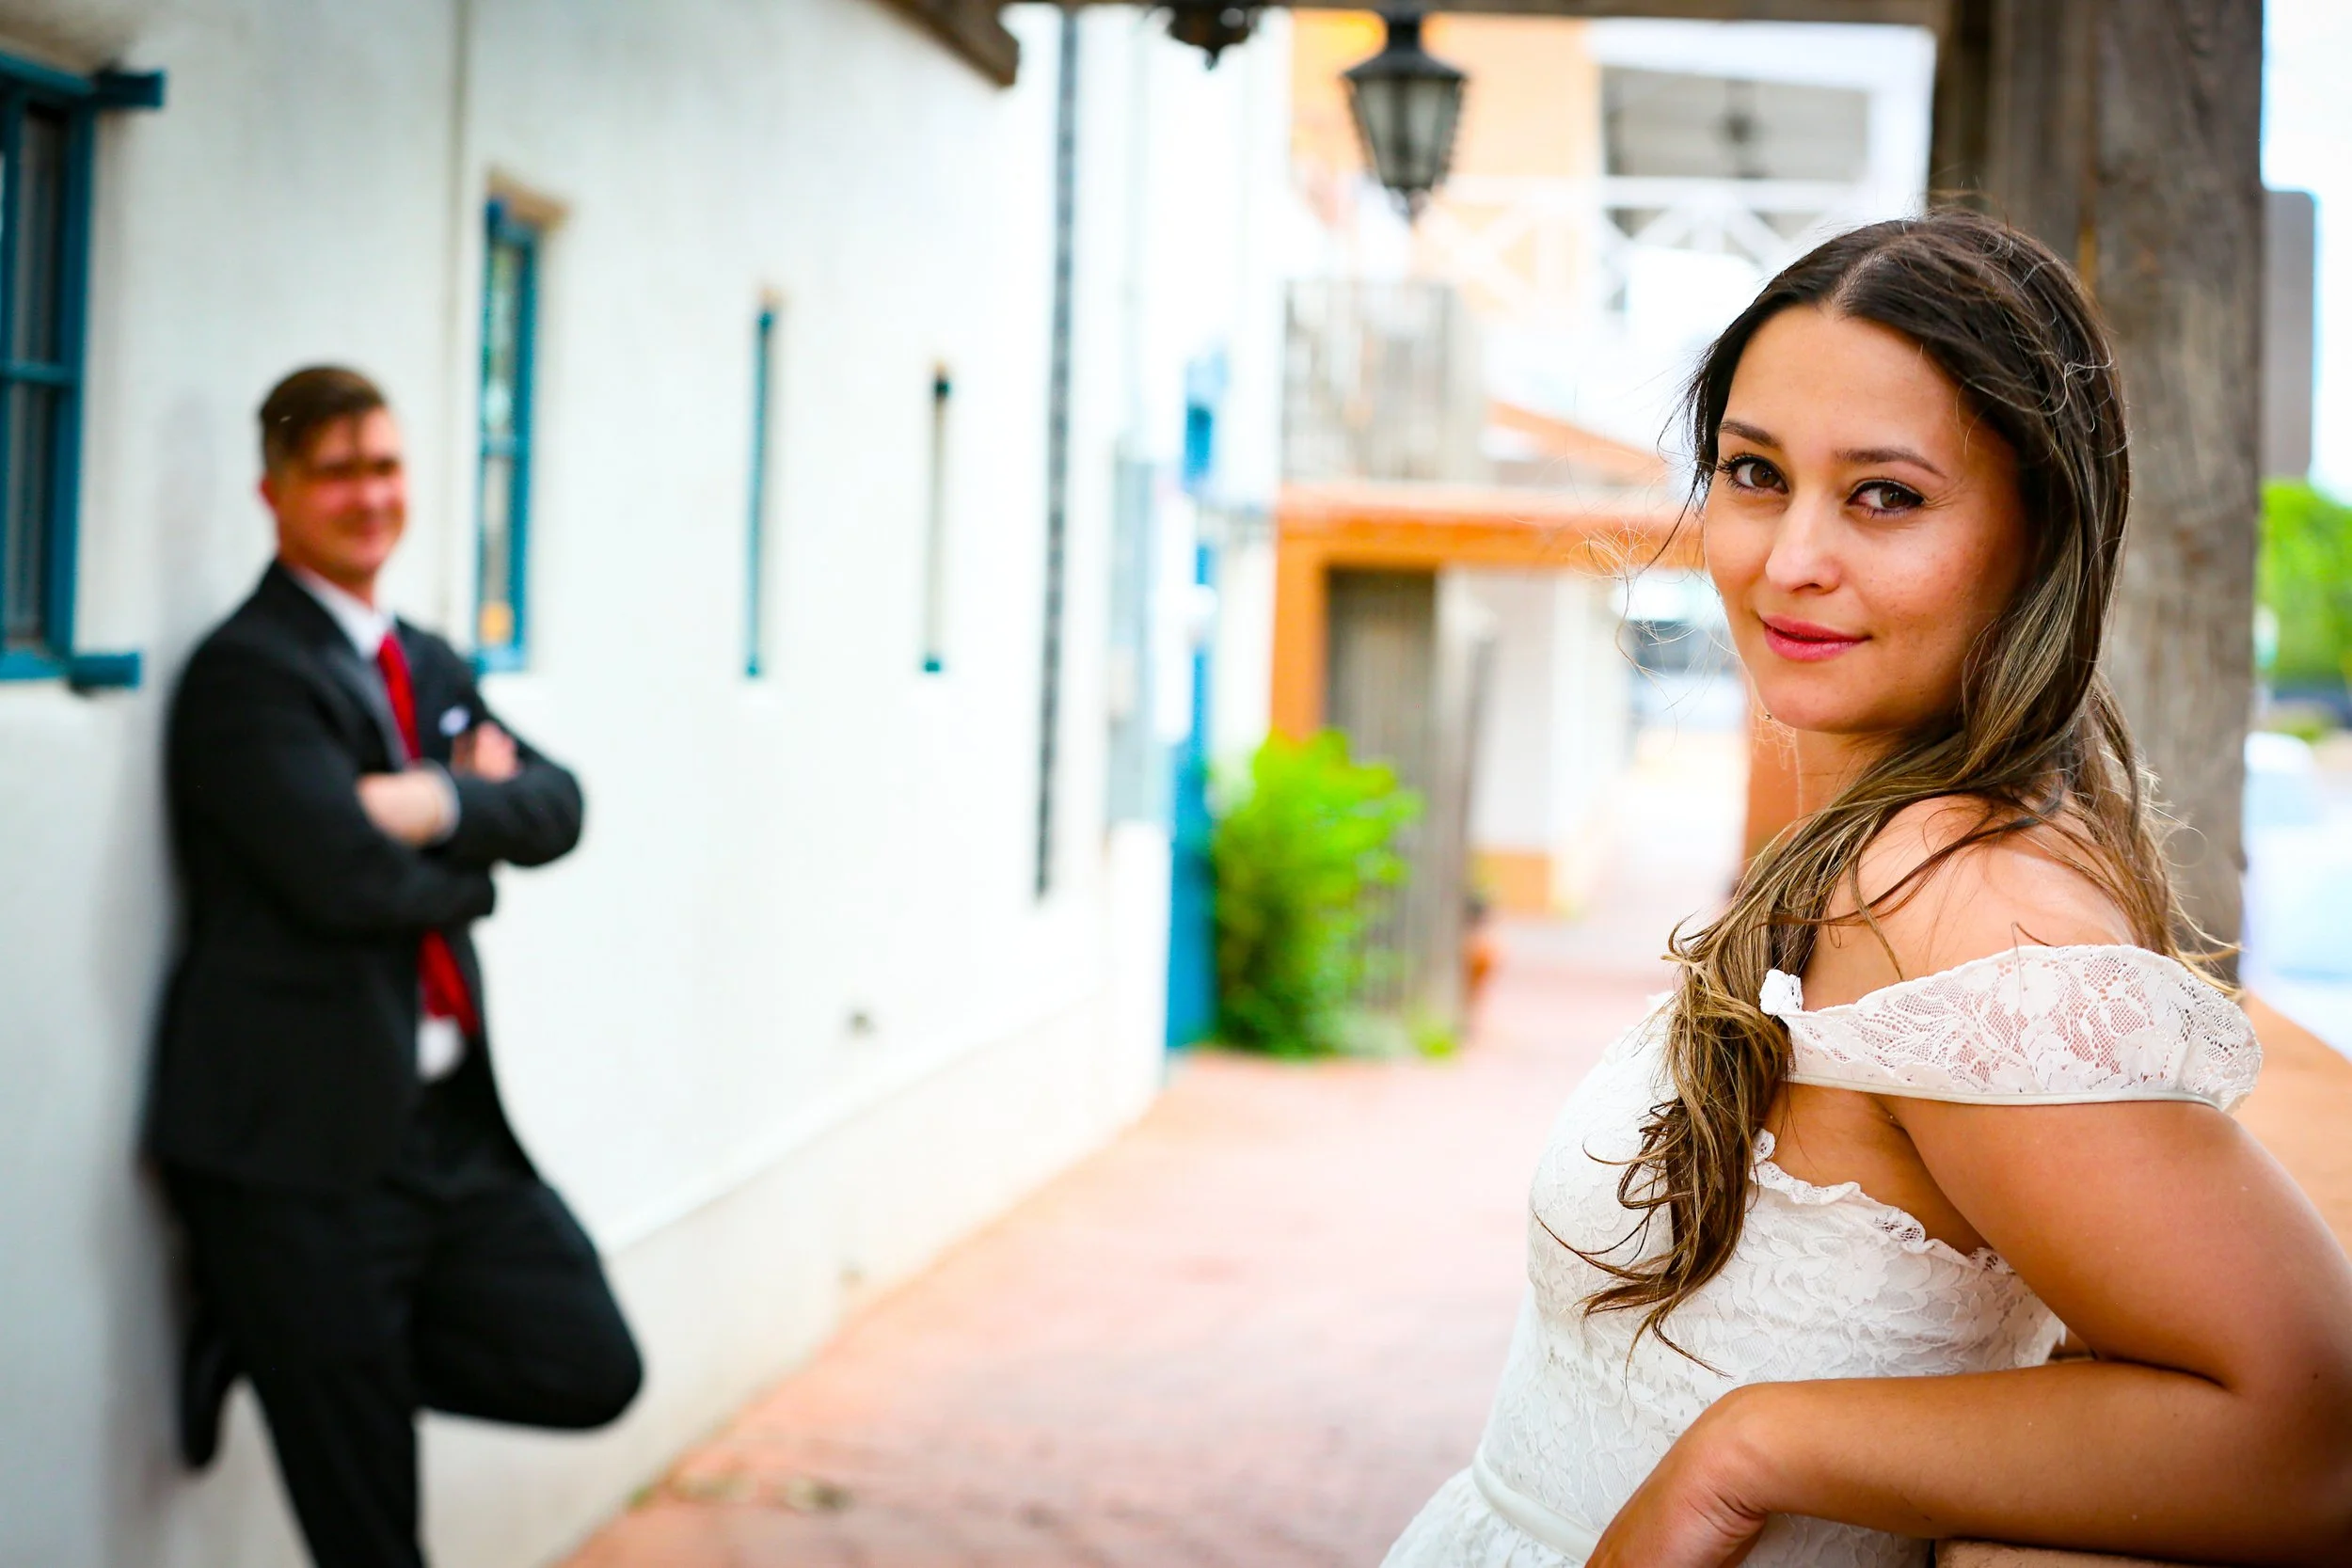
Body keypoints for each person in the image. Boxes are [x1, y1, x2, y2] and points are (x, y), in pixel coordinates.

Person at [1383, 212, 2352, 1567]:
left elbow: (2311, 1430)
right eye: (1754, 472)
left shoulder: (1963, 898)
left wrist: (1754, 1445)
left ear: (2037, 529)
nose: (1790, 559)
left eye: (1885, 494)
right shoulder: (1877, 841)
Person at [150, 366, 642, 1568]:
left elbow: (558, 802)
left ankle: (286, 1349)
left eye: (383, 465)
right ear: (274, 492)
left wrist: (425, 798)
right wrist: (473, 845)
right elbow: (343, 881)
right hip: (299, 1156)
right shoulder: (247, 674)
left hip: (440, 1136)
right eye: (334, 471)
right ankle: (294, 1338)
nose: (367, 496)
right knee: (376, 1543)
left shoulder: (423, 663)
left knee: (590, 1362)